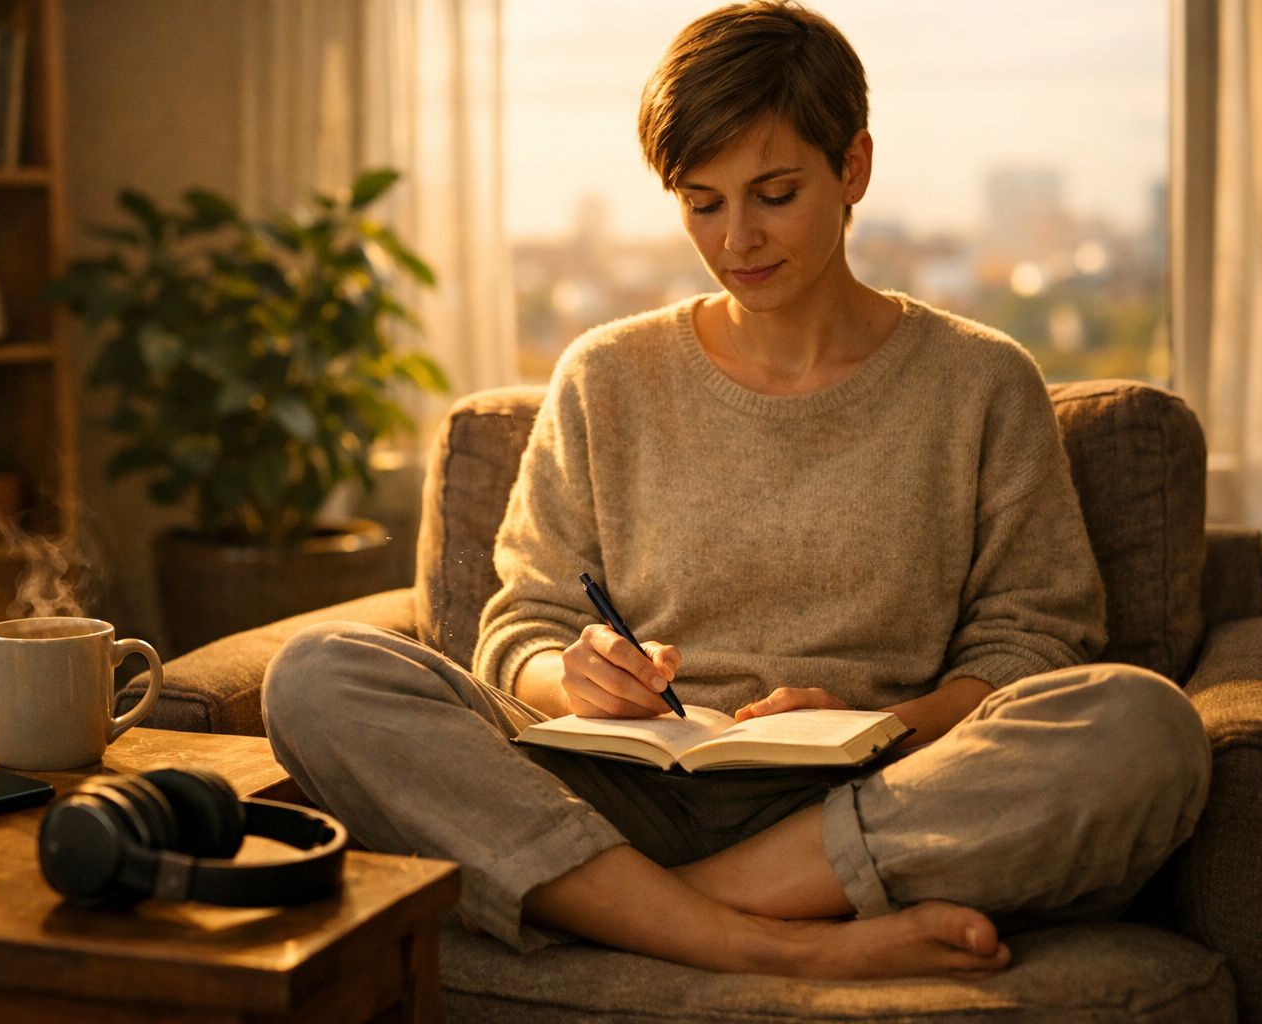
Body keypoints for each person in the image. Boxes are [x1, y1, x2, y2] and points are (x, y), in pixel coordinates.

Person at [262, 0, 1210, 980]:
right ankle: (759, 937)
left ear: (854, 169)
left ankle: (641, 907)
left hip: (872, 798)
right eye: (702, 202)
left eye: (774, 192)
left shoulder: (980, 382)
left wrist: (882, 720)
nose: (737, 240)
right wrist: (571, 675)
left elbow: (1034, 645)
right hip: (613, 791)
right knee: (319, 672)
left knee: (1144, 727)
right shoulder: (605, 375)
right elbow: (520, 629)